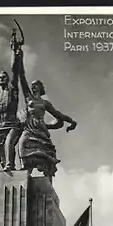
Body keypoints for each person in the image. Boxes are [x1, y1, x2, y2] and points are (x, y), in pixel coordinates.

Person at [17, 48, 77, 177]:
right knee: (22, 147)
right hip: (29, 129)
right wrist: (19, 57)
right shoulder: (28, 98)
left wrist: (71, 122)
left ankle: (47, 166)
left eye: (36, 85)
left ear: (41, 88)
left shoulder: (45, 103)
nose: (33, 87)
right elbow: (21, 77)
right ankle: (24, 170)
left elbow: (59, 115)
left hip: (41, 131)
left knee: (45, 154)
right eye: (32, 85)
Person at [0, 33, 23, 172]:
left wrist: (14, 51)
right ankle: (7, 166)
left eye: (4, 77)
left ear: (8, 80)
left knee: (9, 143)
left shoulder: (13, 91)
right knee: (0, 150)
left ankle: (10, 166)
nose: (2, 79)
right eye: (0, 77)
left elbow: (15, 70)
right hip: (1, 128)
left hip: (13, 125)